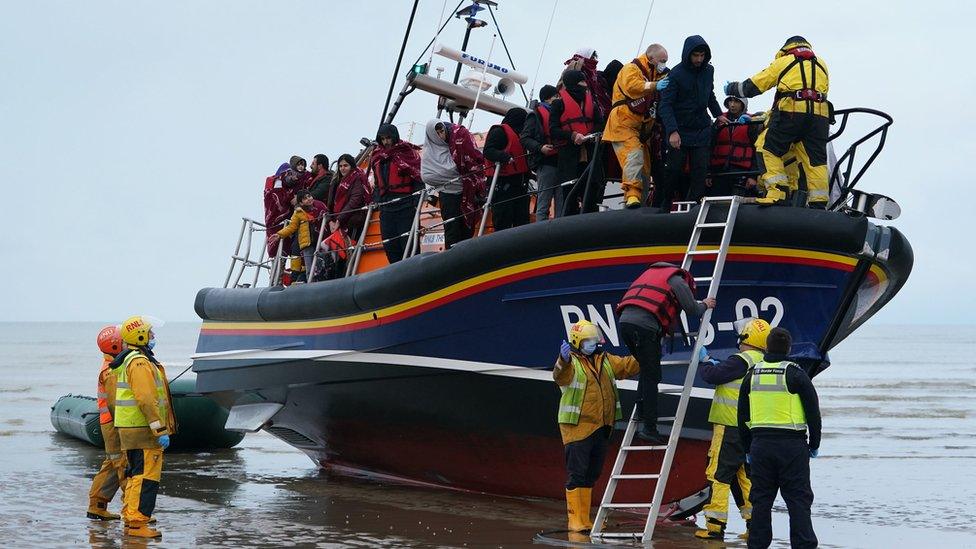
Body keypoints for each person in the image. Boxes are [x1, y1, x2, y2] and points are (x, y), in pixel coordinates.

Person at [738, 327, 821, 549]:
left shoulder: (752, 375)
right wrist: (814, 444)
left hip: (760, 445)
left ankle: (757, 544)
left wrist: (747, 448)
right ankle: (803, 545)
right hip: (792, 446)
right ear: (789, 349)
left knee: (761, 500)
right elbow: (814, 412)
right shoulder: (796, 373)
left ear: (766, 347)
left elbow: (742, 415)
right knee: (798, 501)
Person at [553, 320, 640, 533]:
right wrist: (562, 360)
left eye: (595, 339)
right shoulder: (571, 363)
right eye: (590, 341)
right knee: (577, 473)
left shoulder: (605, 360)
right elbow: (560, 377)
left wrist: (648, 354)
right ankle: (575, 520)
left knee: (592, 473)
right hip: (578, 428)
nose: (595, 343)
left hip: (602, 426)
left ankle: (586, 519)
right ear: (578, 342)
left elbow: (627, 366)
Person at [725, 37, 830, 208]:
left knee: (766, 147)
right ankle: (819, 203)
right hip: (820, 117)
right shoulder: (822, 65)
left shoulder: (784, 61)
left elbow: (753, 86)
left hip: (791, 113)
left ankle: (778, 192)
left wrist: (731, 89)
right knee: (815, 161)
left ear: (786, 49)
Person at [616, 262, 716, 442]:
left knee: (646, 370)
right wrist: (705, 304)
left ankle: (640, 411)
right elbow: (692, 308)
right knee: (652, 375)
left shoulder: (648, 273)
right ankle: (650, 427)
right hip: (644, 328)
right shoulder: (677, 280)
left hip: (625, 324)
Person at [694, 318, 771, 540]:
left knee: (718, 474)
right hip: (749, 430)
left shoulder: (741, 360)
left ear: (746, 337)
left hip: (728, 426)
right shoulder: (762, 361)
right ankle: (754, 525)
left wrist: (706, 361)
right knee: (744, 477)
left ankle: (715, 526)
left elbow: (712, 376)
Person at [112, 316, 176, 538]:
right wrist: (159, 429)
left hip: (132, 430)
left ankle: (131, 520)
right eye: (150, 333)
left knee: (135, 475)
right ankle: (138, 524)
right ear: (139, 336)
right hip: (142, 431)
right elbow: (146, 399)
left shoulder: (130, 359)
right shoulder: (139, 363)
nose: (153, 337)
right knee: (146, 477)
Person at [658, 36, 728, 212]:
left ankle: (694, 205)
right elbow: (665, 105)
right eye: (695, 55)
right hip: (680, 130)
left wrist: (718, 114)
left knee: (700, 170)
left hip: (702, 128)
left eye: (702, 55)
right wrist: (672, 131)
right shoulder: (675, 75)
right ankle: (665, 202)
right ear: (688, 54)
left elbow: (709, 94)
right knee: (674, 169)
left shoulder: (708, 71)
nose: (699, 59)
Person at [603, 44, 670, 209]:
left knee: (645, 171)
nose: (664, 64)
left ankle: (640, 205)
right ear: (651, 57)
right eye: (662, 60)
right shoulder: (631, 69)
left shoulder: (656, 75)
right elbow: (633, 87)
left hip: (642, 131)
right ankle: (632, 196)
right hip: (623, 124)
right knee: (634, 156)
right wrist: (655, 86)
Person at [421, 120, 486, 249]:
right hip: (448, 197)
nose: (441, 135)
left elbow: (470, 163)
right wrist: (455, 175)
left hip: (467, 193)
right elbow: (427, 176)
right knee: (452, 231)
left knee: (467, 229)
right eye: (437, 133)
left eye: (442, 131)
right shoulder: (429, 153)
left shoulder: (454, 145)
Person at [549, 70, 605, 215]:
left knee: (592, 188)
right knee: (570, 192)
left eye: (585, 82)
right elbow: (553, 130)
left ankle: (590, 222)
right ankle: (569, 224)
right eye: (581, 82)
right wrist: (572, 135)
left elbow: (600, 123)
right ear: (572, 83)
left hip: (590, 153)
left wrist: (590, 135)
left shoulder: (591, 104)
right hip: (569, 156)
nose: (585, 85)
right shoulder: (558, 104)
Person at [86, 325, 127, 521]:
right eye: (124, 341)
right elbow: (115, 403)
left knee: (112, 464)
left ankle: (97, 505)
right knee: (123, 464)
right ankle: (132, 510)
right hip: (113, 423)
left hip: (109, 422)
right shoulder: (111, 371)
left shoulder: (112, 366)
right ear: (115, 346)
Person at [370, 124, 423, 263]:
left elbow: (417, 177)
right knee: (390, 247)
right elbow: (376, 183)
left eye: (388, 138)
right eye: (382, 139)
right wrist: (376, 201)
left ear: (394, 137)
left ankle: (414, 274)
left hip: (405, 207)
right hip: (386, 210)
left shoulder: (407, 152)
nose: (386, 142)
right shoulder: (376, 157)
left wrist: (416, 202)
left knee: (410, 245)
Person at [483, 107, 531, 231]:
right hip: (503, 185)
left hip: (520, 185)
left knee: (522, 221)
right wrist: (504, 157)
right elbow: (488, 150)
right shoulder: (500, 132)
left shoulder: (521, 134)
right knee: (503, 221)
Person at [520, 85, 562, 222]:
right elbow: (525, 138)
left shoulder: (559, 112)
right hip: (545, 162)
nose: (559, 99)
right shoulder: (535, 114)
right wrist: (540, 147)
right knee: (544, 203)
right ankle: (541, 235)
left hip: (561, 162)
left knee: (561, 203)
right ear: (548, 98)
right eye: (556, 97)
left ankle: (560, 235)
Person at [708, 96, 762, 197]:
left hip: (741, 172)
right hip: (719, 171)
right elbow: (710, 147)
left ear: (743, 104)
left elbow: (757, 149)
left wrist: (753, 176)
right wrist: (708, 173)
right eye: (730, 101)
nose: (732, 104)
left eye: (736, 101)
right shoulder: (719, 121)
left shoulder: (751, 122)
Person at [271, 190, 316, 282]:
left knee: (319, 263)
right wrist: (279, 235)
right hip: (307, 243)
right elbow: (292, 227)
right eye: (305, 198)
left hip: (318, 239)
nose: (308, 199)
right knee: (309, 267)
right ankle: (311, 285)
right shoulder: (298, 213)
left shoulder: (318, 207)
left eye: (309, 196)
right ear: (300, 202)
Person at [332, 154, 372, 240]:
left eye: (346, 165)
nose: (342, 168)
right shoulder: (339, 180)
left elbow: (355, 200)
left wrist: (339, 219)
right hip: (341, 218)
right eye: (340, 166)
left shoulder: (357, 177)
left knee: (347, 249)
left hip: (352, 219)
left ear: (352, 166)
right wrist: (331, 220)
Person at [563, 48, 612, 118]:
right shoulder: (578, 74)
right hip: (589, 116)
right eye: (592, 57)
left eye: (595, 57)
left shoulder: (595, 75)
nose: (595, 60)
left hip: (604, 113)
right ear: (586, 58)